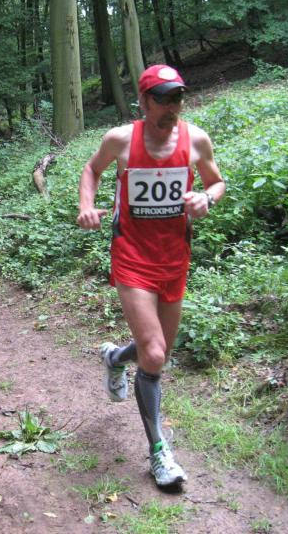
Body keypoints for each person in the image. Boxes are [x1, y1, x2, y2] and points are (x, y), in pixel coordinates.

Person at [77, 64, 225, 488]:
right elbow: (92, 169)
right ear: (143, 101)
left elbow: (217, 182)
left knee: (155, 353)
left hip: (174, 258)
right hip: (132, 257)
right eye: (161, 98)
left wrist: (207, 198)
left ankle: (114, 358)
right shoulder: (121, 140)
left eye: (177, 97)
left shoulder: (196, 140)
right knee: (155, 355)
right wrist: (86, 206)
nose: (171, 107)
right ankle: (160, 451)